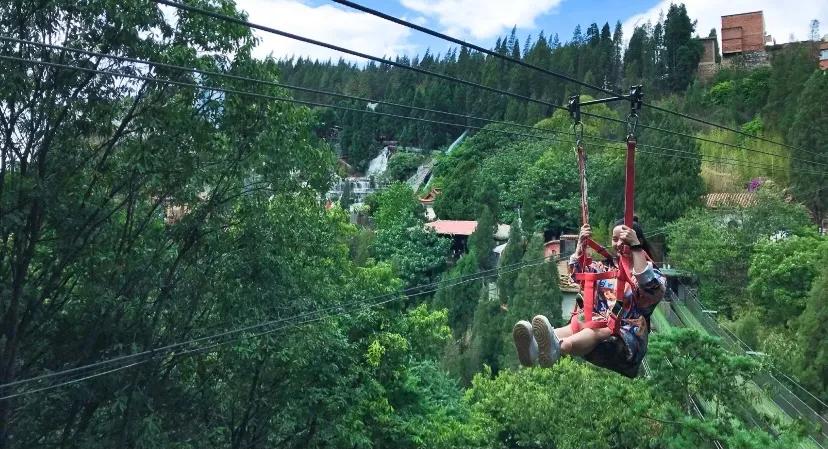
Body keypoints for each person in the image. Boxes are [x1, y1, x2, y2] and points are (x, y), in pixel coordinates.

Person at [512, 220, 666, 373]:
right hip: (599, 323)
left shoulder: (652, 272)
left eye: (623, 239)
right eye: (614, 239)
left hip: (626, 338)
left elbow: (651, 288)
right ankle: (535, 348)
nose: (618, 243)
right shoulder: (608, 267)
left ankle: (558, 347)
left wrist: (636, 247)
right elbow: (578, 274)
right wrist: (580, 246)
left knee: (596, 329)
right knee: (577, 325)